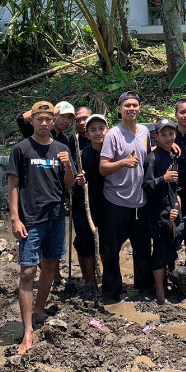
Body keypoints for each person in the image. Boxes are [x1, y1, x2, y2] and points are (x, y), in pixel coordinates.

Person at [6, 101, 76, 355]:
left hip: (56, 216)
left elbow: (69, 184)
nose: (44, 123)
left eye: (48, 118)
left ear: (54, 120)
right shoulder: (21, 149)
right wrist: (15, 218)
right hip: (31, 218)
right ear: (32, 121)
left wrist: (68, 165)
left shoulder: (62, 148)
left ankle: (39, 308)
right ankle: (27, 330)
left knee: (50, 265)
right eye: (40, 119)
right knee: (27, 273)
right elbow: (13, 185)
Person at [99, 91, 152, 300]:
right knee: (112, 249)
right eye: (127, 105)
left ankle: (143, 286)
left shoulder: (145, 132)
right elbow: (103, 168)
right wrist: (123, 163)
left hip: (140, 201)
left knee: (142, 247)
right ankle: (113, 290)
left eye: (135, 105)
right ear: (119, 109)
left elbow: (146, 155)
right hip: (116, 200)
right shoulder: (113, 134)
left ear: (139, 108)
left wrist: (167, 147)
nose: (131, 109)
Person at [142, 119, 180, 304]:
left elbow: (175, 184)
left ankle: (167, 283)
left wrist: (177, 198)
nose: (167, 138)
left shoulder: (173, 155)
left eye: (170, 134)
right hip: (157, 212)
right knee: (159, 250)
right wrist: (163, 179)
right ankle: (159, 292)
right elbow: (147, 185)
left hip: (171, 208)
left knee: (171, 246)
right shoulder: (152, 158)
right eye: (163, 134)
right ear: (156, 137)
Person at [72, 114, 108, 296]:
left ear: (107, 131)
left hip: (107, 207)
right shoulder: (82, 156)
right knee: (86, 246)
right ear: (86, 134)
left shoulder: (111, 153)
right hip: (86, 208)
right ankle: (92, 283)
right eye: (93, 130)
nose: (98, 133)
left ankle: (107, 280)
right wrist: (78, 182)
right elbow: (71, 185)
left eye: (101, 129)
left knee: (105, 246)